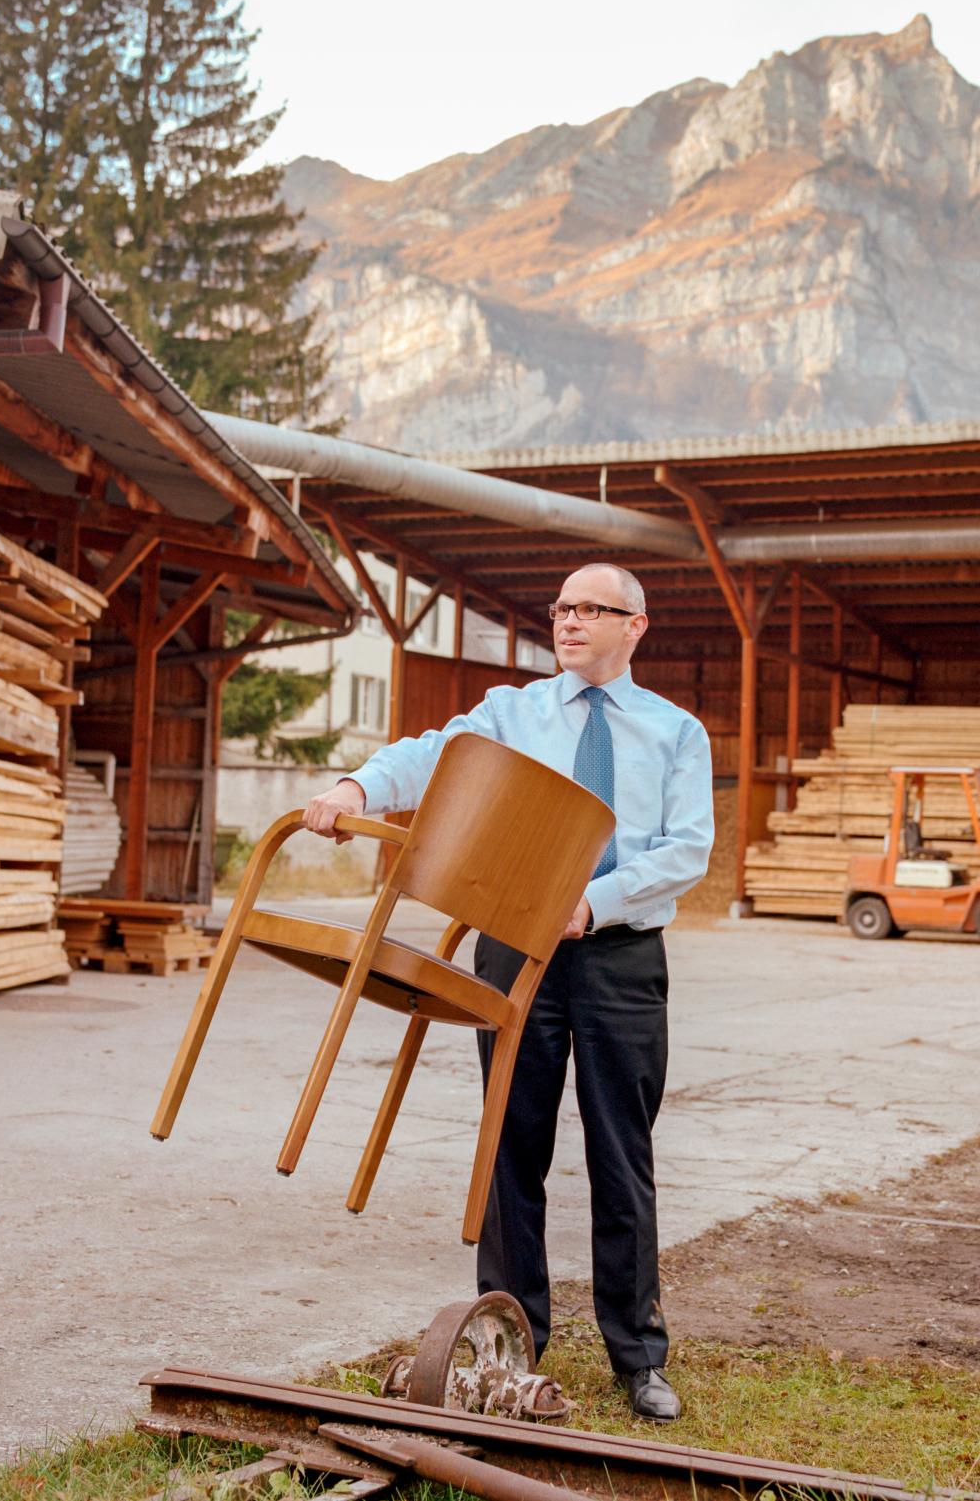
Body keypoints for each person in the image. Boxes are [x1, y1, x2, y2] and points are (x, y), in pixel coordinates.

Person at [303, 562, 713, 1421]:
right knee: (507, 1143)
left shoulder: (676, 732)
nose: (570, 621)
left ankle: (638, 1354)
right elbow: (430, 756)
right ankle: (510, 1343)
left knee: (620, 1153)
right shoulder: (512, 713)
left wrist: (593, 901)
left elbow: (685, 851)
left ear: (636, 626)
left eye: (592, 609)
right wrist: (356, 786)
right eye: (562, 608)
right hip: (516, 944)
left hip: (619, 954)